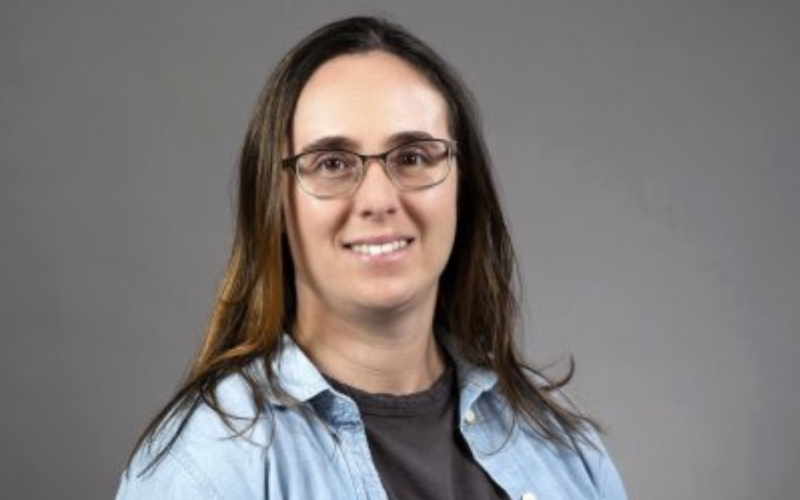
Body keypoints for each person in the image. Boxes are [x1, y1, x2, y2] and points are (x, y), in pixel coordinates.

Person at [116, 16, 628, 500]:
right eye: (333, 163)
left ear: (461, 185)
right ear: (274, 203)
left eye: (412, 157)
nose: (379, 200)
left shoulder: (561, 443)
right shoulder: (209, 468)